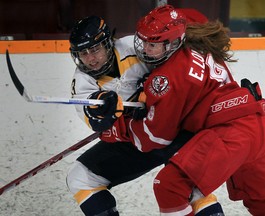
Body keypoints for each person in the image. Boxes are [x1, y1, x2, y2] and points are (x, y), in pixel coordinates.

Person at [102, 5, 265, 216]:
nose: (145, 50)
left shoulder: (166, 77)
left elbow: (155, 137)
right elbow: (192, 17)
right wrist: (166, 16)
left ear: (173, 43)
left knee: (168, 187)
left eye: (153, 44)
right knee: (262, 201)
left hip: (232, 133)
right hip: (258, 123)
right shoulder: (199, 42)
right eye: (143, 41)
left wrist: (115, 127)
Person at [66, 14, 224, 216]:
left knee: (184, 185)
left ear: (107, 43)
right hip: (136, 139)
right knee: (81, 176)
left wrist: (152, 86)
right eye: (83, 53)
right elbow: (98, 123)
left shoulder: (133, 48)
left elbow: (175, 67)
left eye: (95, 49)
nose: (90, 58)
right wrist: (100, 112)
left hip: (176, 130)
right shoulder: (81, 82)